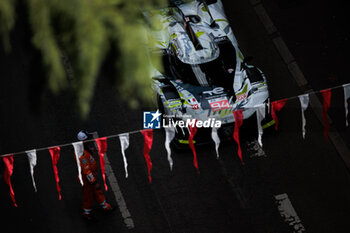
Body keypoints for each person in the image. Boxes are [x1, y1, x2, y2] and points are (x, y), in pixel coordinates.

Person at [77, 130, 113, 221]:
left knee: (97, 192)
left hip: (90, 178)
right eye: (88, 139)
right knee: (88, 196)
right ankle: (86, 213)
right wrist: (94, 182)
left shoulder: (84, 150)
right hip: (87, 180)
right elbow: (87, 171)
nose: (90, 140)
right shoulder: (82, 155)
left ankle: (106, 207)